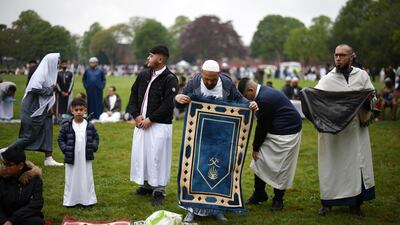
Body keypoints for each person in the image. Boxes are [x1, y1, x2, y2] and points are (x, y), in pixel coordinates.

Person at [175, 59, 258, 222]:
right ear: (201, 73)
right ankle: (191, 209)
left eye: (213, 79)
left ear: (219, 75)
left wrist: (250, 104)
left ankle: (217, 209)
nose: (209, 82)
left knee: (220, 169)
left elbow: (240, 100)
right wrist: (178, 98)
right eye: (206, 78)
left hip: (222, 136)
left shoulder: (226, 83)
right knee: (195, 170)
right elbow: (180, 101)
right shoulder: (194, 83)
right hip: (199, 134)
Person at [315, 44, 376, 216]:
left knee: (356, 166)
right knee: (332, 167)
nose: (338, 58)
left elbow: (372, 98)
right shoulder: (327, 80)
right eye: (336, 55)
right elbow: (316, 102)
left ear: (351, 57)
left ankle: (355, 204)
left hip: (356, 132)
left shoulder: (362, 76)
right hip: (334, 135)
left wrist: (368, 100)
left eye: (342, 55)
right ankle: (327, 203)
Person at [124, 46, 178, 206]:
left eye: (151, 56)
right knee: (143, 154)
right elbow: (133, 95)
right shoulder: (142, 75)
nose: (148, 58)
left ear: (160, 59)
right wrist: (136, 114)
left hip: (160, 125)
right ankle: (147, 184)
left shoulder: (170, 78)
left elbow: (169, 104)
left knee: (158, 157)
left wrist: (151, 119)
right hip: (141, 123)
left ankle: (159, 189)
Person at [238, 78, 302, 211]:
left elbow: (262, 126)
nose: (246, 100)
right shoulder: (262, 94)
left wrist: (255, 148)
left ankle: (278, 200)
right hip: (276, 130)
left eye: (245, 96)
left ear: (251, 90)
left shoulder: (264, 99)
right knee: (259, 161)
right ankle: (259, 194)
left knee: (281, 167)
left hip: (287, 133)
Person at [6, 53, 63, 166]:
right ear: (50, 61)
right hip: (32, 107)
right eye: (57, 60)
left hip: (43, 108)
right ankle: (7, 151)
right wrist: (50, 90)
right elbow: (35, 88)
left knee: (48, 128)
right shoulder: (41, 73)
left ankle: (48, 158)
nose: (59, 63)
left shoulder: (50, 73)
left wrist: (50, 106)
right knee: (30, 135)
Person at [58, 98, 99, 207]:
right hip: (72, 157)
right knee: (71, 178)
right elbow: (60, 139)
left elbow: (96, 137)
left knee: (87, 178)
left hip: (86, 156)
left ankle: (88, 200)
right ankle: (71, 201)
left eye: (81, 109)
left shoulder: (89, 125)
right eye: (76, 110)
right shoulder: (67, 126)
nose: (79, 112)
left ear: (85, 110)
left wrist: (93, 147)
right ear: (72, 110)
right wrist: (65, 149)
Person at [0, 149, 44, 225]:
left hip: (23, 216)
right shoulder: (1, 178)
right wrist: (4, 221)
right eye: (4, 163)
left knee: (37, 222)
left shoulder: (34, 179)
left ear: (20, 165)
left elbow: (36, 203)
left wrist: (12, 221)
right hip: (4, 216)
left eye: (9, 164)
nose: (5, 167)